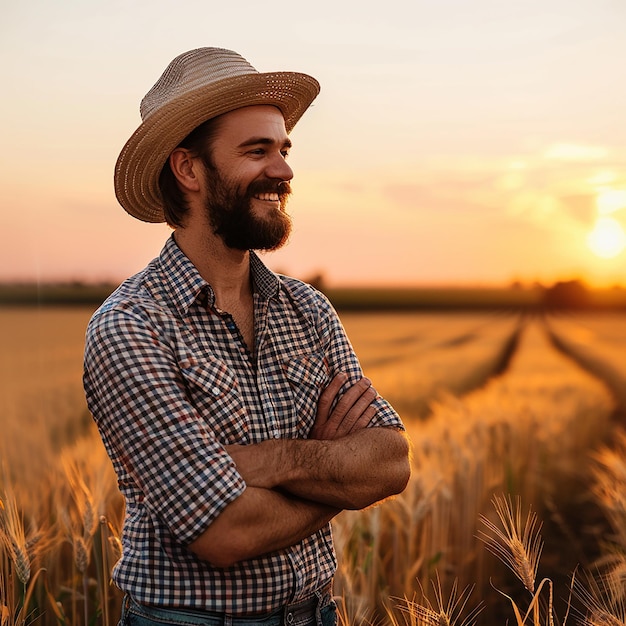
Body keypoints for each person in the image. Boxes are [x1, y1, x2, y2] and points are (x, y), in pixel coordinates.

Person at [83, 47, 410, 626]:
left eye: (283, 150)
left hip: (317, 614)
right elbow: (224, 531)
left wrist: (266, 463)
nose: (283, 171)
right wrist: (335, 472)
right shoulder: (131, 327)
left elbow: (389, 463)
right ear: (189, 170)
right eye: (256, 151)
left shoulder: (305, 309)